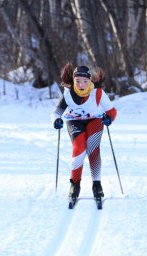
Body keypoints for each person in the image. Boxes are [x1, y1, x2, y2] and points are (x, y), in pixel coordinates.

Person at [51, 63, 117, 201]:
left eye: (85, 81)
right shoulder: (68, 93)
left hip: (95, 120)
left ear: (90, 81)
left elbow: (112, 111)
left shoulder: (97, 92)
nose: (81, 85)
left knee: (93, 148)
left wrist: (109, 119)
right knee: (79, 148)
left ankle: (97, 185)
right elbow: (56, 112)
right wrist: (56, 120)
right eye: (78, 81)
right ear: (73, 81)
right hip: (74, 121)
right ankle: (75, 185)